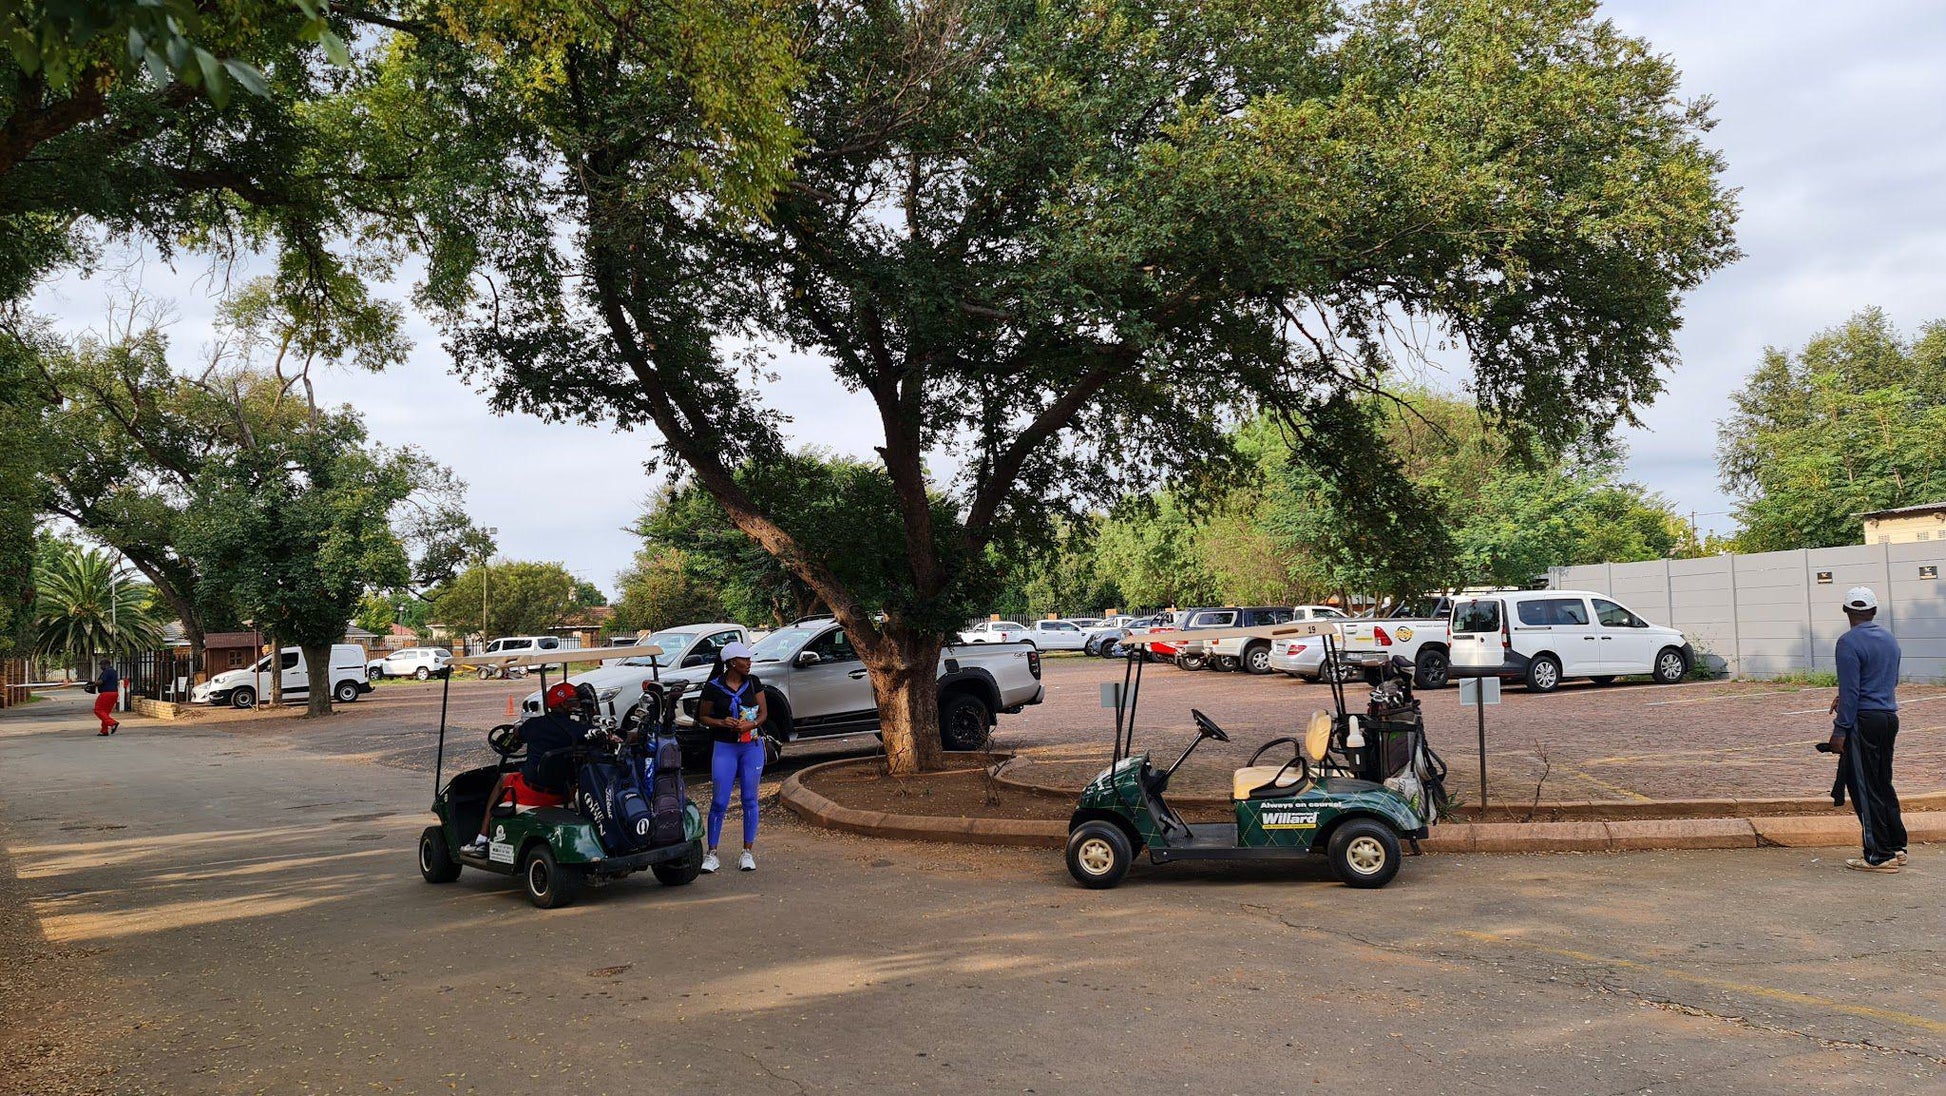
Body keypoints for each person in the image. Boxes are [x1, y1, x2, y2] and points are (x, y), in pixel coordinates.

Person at [1825, 586, 1905, 873]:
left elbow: (1852, 689)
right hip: (1888, 717)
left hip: (1863, 721)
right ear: (1873, 611)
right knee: (1882, 782)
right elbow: (1889, 680)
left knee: (1864, 787)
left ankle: (1879, 855)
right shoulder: (1889, 639)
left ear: (1846, 611)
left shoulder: (1847, 642)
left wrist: (1840, 730)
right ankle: (1896, 845)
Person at [460, 681, 583, 856]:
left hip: (534, 792)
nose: (575, 705)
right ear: (564, 705)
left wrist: (517, 731)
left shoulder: (535, 725)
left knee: (503, 779)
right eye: (573, 702)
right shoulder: (578, 729)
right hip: (563, 792)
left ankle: (482, 839)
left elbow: (517, 733)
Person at [696, 641, 768, 873]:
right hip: (725, 746)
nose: (749, 663)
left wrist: (752, 723)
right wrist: (721, 722)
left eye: (749, 659)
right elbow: (703, 716)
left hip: (751, 746)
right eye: (744, 660)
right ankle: (712, 853)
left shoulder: (753, 682)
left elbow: (764, 712)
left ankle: (747, 852)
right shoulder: (713, 687)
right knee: (719, 801)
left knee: (750, 799)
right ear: (731, 663)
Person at [93, 660, 120, 736]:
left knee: (98, 709)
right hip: (114, 693)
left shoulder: (107, 671)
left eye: (101, 665)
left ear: (106, 664)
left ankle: (113, 723)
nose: (101, 667)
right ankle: (104, 731)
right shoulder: (113, 671)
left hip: (107, 693)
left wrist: (93, 684)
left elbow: (101, 681)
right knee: (105, 713)